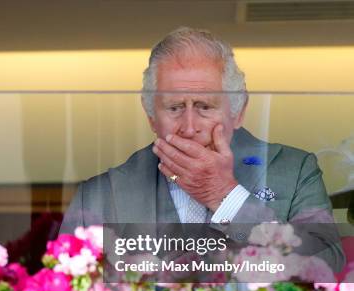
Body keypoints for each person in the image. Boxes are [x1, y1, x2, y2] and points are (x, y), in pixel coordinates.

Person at [60, 27, 344, 272]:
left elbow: (326, 268)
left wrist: (226, 197)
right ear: (151, 117)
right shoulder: (99, 194)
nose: (189, 126)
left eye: (204, 107)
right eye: (174, 108)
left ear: (238, 111)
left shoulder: (293, 170)